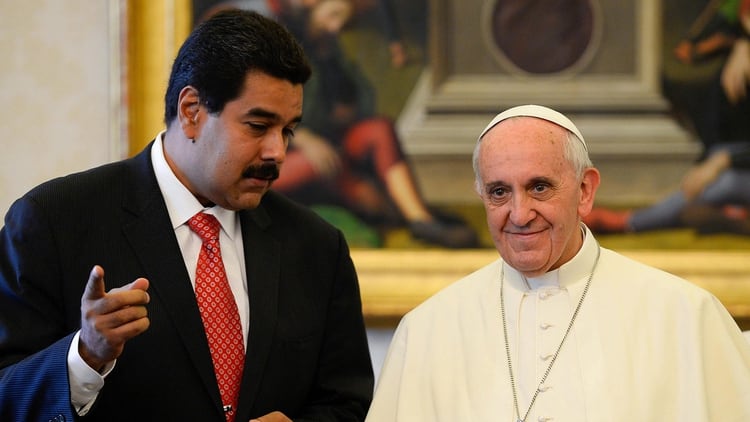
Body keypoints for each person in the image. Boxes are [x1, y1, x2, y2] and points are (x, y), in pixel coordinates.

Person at [0, 10, 373, 422]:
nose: (278, 153)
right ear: (192, 110)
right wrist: (84, 356)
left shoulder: (318, 246)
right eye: (257, 126)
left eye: (287, 131)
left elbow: (347, 401)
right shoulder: (54, 221)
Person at [365, 105, 750, 421]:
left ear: (585, 191)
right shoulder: (427, 330)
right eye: (499, 192)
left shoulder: (685, 314)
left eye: (539, 187)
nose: (519, 213)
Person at [269, 0, 479, 248]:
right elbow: (264, 112)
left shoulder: (328, 49)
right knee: (320, 165)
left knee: (377, 129)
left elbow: (361, 104)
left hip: (330, 150)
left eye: (343, 22)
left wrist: (344, 97)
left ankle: (419, 219)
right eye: (332, 15)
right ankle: (387, 208)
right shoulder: (278, 45)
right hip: (279, 157)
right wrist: (305, 139)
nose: (336, 27)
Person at [585, 0, 750, 236]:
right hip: (734, 154)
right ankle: (732, 214)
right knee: (718, 164)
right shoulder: (737, 52)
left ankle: (631, 222)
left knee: (728, 180)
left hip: (736, 166)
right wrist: (741, 42)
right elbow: (689, 48)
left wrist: (724, 160)